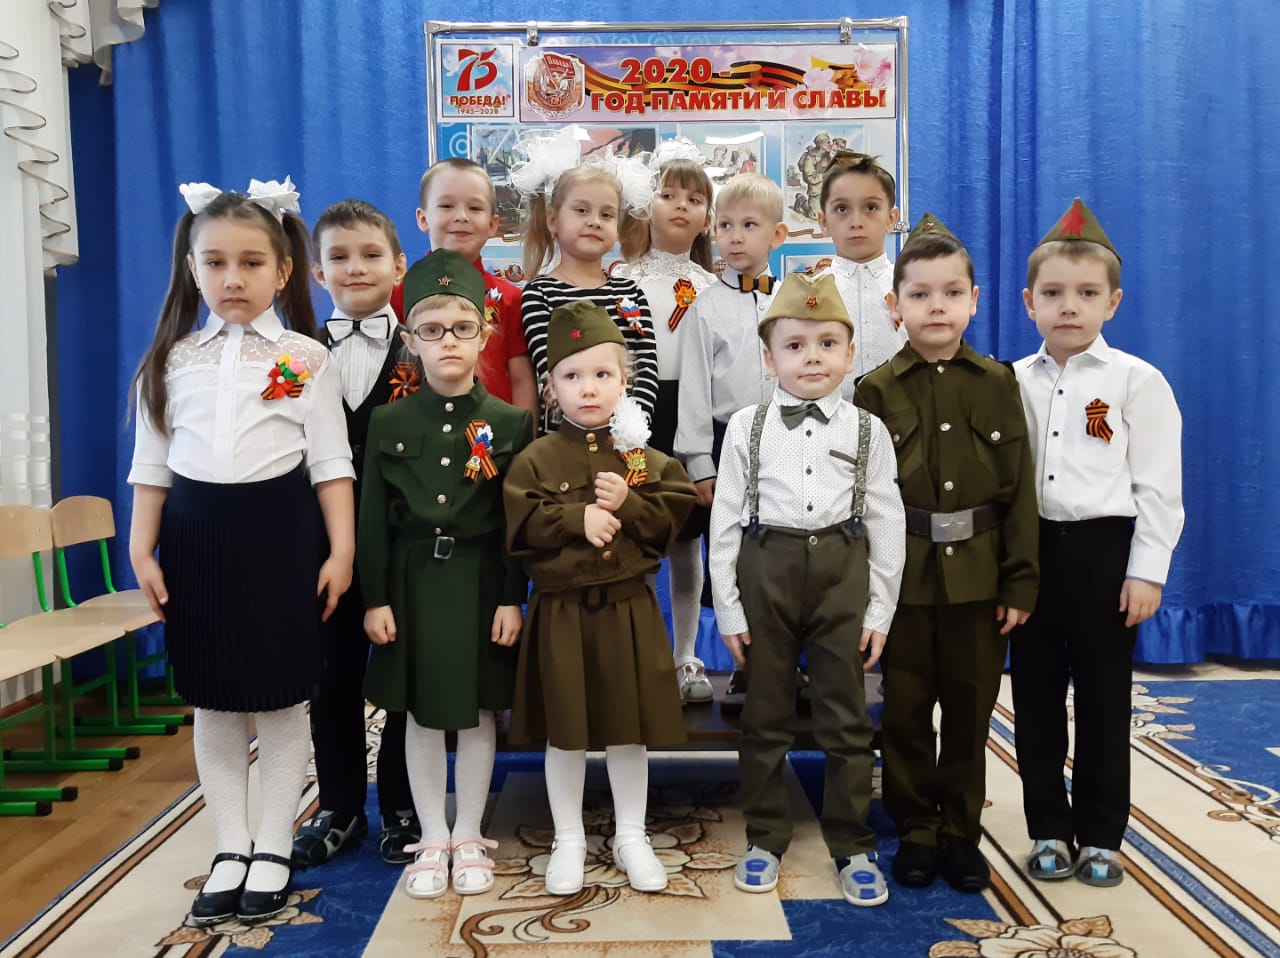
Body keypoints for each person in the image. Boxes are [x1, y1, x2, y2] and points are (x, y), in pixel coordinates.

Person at [128, 178, 354, 925]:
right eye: (216, 262)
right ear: (192, 268)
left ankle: (274, 842)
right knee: (215, 696)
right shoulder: (171, 361)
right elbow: (152, 465)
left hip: (281, 536)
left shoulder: (307, 357)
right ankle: (231, 843)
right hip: (196, 540)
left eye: (252, 263)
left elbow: (331, 464)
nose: (233, 278)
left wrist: (341, 550)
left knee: (281, 694)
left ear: (283, 271)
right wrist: (142, 548)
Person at [854, 213, 1039, 894]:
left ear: (974, 300)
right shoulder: (875, 390)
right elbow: (863, 502)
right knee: (904, 710)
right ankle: (916, 828)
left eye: (952, 292)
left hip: (979, 580)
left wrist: (1020, 582)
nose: (937, 306)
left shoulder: (997, 383)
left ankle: (960, 831)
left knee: (968, 709)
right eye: (921, 294)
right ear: (894, 304)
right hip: (903, 580)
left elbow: (1018, 490)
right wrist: (868, 593)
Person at [708, 272, 906, 906]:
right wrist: (729, 609)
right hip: (766, 570)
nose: (812, 358)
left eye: (827, 344)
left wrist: (880, 610)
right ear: (769, 359)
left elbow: (886, 521)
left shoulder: (869, 430)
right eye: (794, 345)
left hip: (841, 575)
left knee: (845, 716)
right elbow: (726, 520)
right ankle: (765, 835)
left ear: (850, 354)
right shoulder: (746, 427)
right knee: (764, 713)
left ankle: (852, 842)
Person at [1011, 198, 1183, 887]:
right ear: (1029, 302)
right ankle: (1049, 829)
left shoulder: (1138, 382)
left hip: (1106, 557)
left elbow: (1159, 488)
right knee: (1034, 698)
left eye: (1087, 294)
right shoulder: (1010, 382)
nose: (1069, 307)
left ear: (1113, 302)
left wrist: (1147, 570)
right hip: (1031, 557)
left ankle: (1103, 834)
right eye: (1054, 293)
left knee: (1105, 700)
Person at [504, 301, 696, 896]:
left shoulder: (644, 458)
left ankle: (631, 835)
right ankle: (568, 838)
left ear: (624, 380)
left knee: (627, 729)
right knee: (564, 731)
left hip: (628, 610)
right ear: (550, 387)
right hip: (560, 612)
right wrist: (576, 518)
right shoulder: (534, 459)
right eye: (572, 376)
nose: (588, 388)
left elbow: (671, 519)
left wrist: (629, 504)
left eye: (602, 374)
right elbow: (520, 524)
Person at [361, 248, 535, 899]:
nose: (449, 342)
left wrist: (512, 598)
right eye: (431, 330)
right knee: (422, 714)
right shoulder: (389, 421)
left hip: (481, 580)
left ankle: (468, 832)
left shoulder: (511, 423)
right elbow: (372, 520)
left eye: (463, 327)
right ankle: (432, 834)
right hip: (411, 583)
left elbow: (516, 523)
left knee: (479, 710)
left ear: (485, 334)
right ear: (410, 339)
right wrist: (375, 597)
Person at [287, 199, 419, 870]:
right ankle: (339, 805)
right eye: (339, 257)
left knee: (404, 678)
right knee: (331, 676)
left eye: (371, 254)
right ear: (317, 272)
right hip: (322, 549)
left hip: (405, 546)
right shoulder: (295, 356)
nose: (356, 267)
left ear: (399, 265)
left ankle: (402, 803)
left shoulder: (425, 348)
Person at [674, 172, 788, 711]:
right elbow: (695, 388)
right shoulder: (704, 306)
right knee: (736, 558)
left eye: (749, 225)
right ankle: (745, 667)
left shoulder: (796, 299)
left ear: (778, 234)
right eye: (725, 226)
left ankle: (786, 662)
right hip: (727, 444)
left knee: (782, 554)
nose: (735, 237)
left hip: (789, 441)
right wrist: (700, 461)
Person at [615, 147, 717, 704]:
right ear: (644, 206)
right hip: (635, 414)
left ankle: (685, 656)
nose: (681, 206)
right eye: (668, 194)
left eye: (694, 198)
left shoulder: (713, 285)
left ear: (707, 218)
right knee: (636, 535)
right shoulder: (620, 278)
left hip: (693, 417)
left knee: (687, 540)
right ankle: (637, 656)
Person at [511, 129, 659, 433]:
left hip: (625, 438)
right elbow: (551, 369)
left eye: (607, 215)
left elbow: (646, 371)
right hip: (562, 439)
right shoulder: (539, 294)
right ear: (553, 220)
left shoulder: (631, 292)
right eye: (581, 210)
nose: (594, 221)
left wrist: (628, 428)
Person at [391, 158, 538, 423]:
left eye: (475, 208)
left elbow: (522, 381)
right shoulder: (399, 294)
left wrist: (525, 441)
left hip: (496, 438)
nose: (461, 216)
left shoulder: (511, 299)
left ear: (493, 224)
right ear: (423, 218)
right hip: (417, 436)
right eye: (447, 206)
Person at [817, 151, 906, 383]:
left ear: (891, 218)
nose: (856, 222)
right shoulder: (811, 292)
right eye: (842, 209)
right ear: (824, 222)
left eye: (871, 208)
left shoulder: (912, 287)